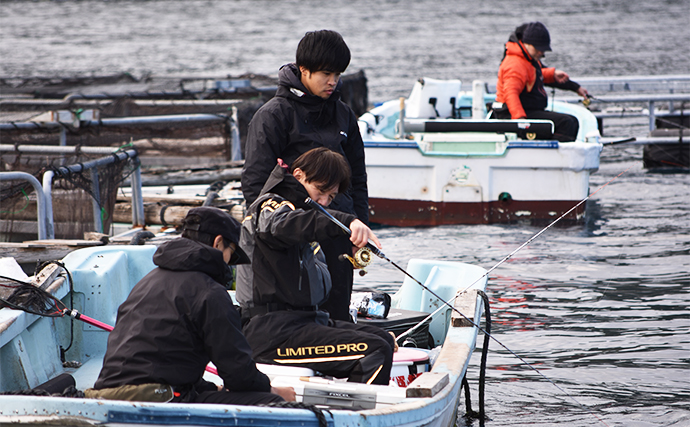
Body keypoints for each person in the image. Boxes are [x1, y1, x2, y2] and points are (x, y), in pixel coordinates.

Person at [88, 206, 295, 405]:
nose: (229, 262)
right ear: (218, 242)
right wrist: (273, 391)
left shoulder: (149, 281)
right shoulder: (209, 292)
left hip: (110, 391)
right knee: (271, 403)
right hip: (155, 396)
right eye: (231, 252)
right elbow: (237, 373)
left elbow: (167, 359)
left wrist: (211, 389)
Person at [237, 147, 396, 385]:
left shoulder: (303, 214)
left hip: (303, 322)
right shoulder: (270, 206)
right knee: (374, 351)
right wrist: (345, 220)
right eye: (320, 191)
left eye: (331, 198)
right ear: (298, 175)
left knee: (381, 338)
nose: (323, 201)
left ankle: (346, 404)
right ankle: (357, 419)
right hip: (271, 331)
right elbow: (283, 226)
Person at [241, 29, 368, 322]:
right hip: (294, 238)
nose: (333, 81)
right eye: (326, 73)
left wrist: (361, 226)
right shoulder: (273, 115)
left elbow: (358, 180)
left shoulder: (344, 115)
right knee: (303, 315)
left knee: (336, 314)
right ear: (304, 71)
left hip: (339, 228)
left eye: (338, 74)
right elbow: (256, 185)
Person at [493, 21, 589, 142]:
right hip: (513, 114)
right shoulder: (515, 64)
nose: (541, 53)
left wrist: (574, 87)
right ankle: (555, 156)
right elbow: (511, 94)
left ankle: (555, 152)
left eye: (543, 49)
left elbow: (534, 76)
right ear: (526, 43)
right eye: (538, 49)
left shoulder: (528, 59)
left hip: (528, 111)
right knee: (566, 123)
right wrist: (521, 121)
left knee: (571, 121)